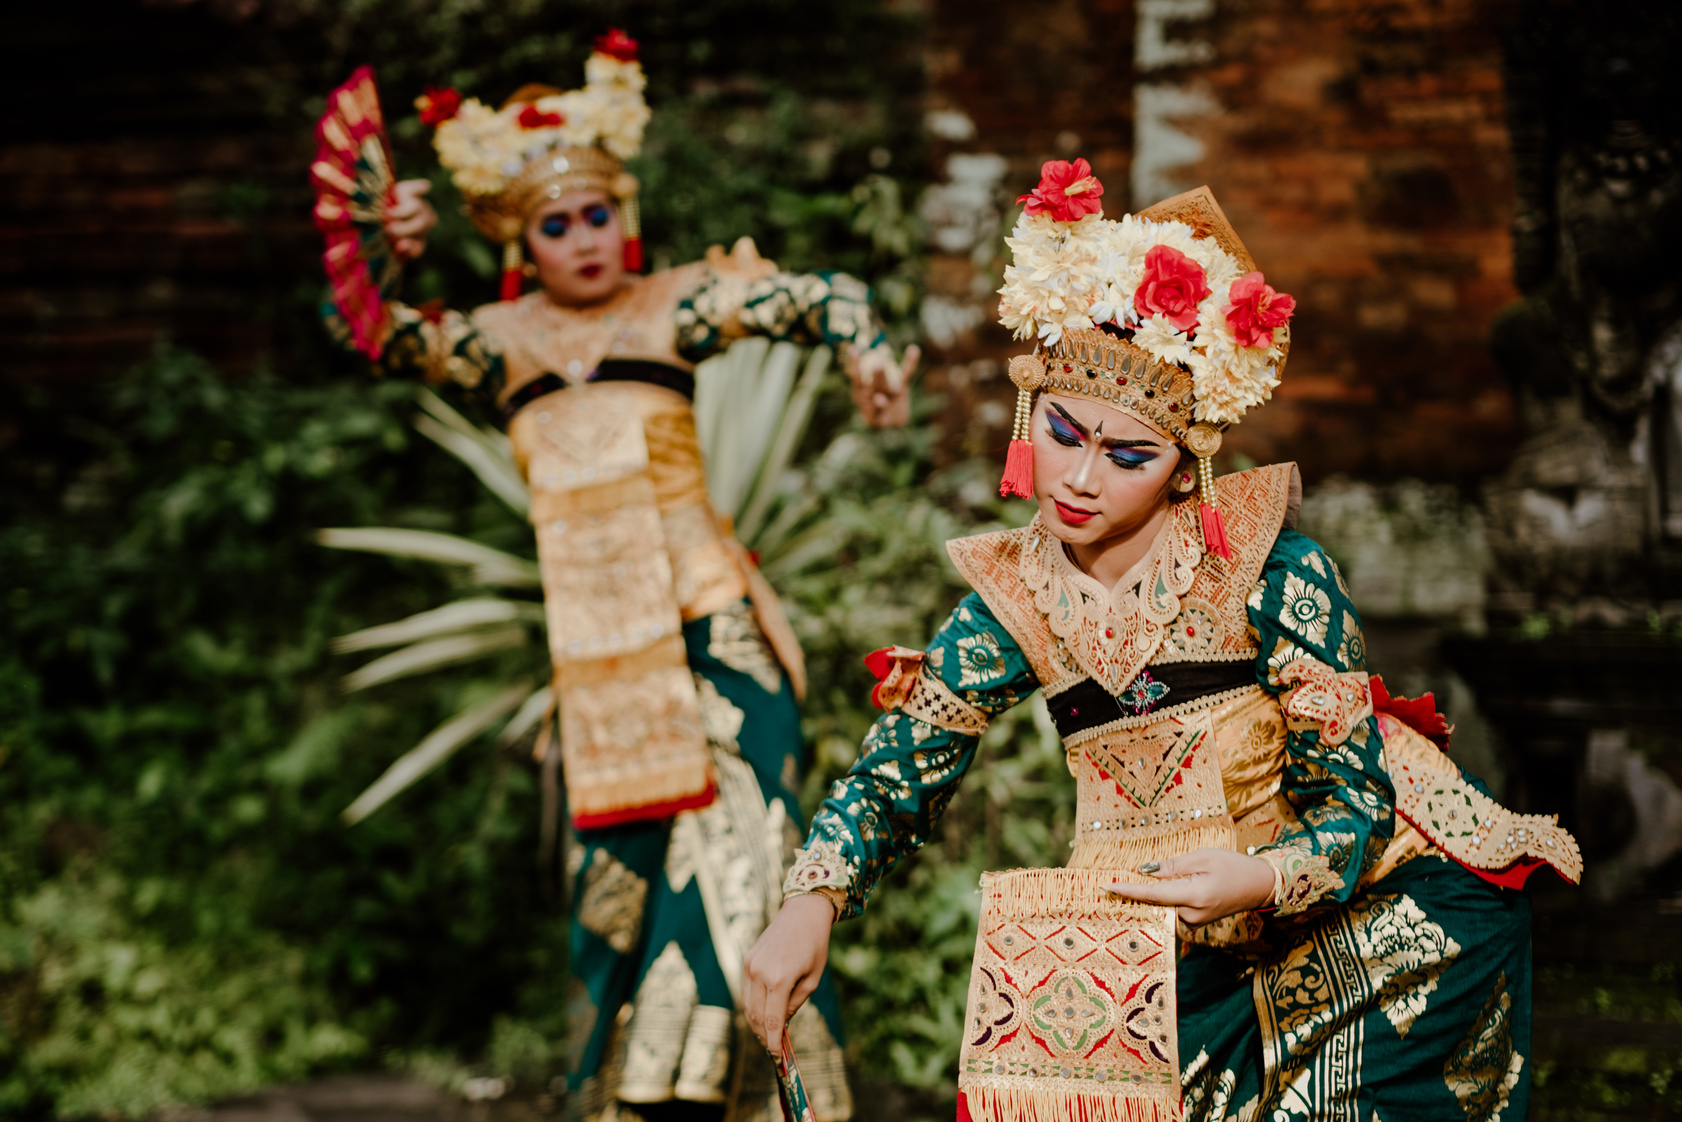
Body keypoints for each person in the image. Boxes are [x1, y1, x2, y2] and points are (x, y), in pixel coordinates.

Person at [740, 164, 1581, 1121]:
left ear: (1186, 469)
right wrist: (811, 901)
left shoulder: (1273, 571)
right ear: (1034, 412)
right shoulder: (1014, 596)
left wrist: (1262, 877)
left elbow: (1357, 802)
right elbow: (901, 768)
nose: (1081, 480)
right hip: (1145, 928)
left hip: (1323, 901)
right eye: (1063, 434)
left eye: (1128, 455)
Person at [329, 30, 919, 1122]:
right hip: (602, 668)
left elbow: (822, 296)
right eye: (555, 224)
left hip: (716, 632)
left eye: (597, 214)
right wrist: (391, 249)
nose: (583, 240)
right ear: (519, 238)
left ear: (625, 217)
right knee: (618, 899)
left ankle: (730, 1100)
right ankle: (619, 1101)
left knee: (749, 853)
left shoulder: (673, 308)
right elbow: (361, 327)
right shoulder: (494, 341)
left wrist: (868, 353)